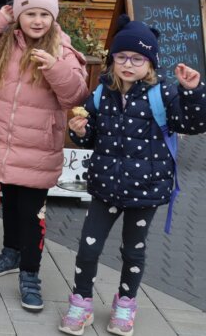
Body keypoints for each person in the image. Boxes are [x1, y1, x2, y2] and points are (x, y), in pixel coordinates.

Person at [59, 17, 206, 336]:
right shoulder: (102, 92)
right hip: (105, 187)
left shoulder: (163, 91)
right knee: (88, 248)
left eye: (137, 58)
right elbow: (92, 136)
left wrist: (193, 92)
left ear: (149, 62)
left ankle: (125, 304)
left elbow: (193, 125)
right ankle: (81, 303)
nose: (128, 64)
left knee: (133, 250)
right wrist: (79, 132)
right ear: (112, 59)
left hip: (146, 190)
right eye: (121, 56)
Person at [0, 0, 89, 312]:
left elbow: (76, 94)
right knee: (11, 204)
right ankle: (12, 253)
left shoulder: (62, 49)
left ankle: (30, 273)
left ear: (53, 16)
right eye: (29, 13)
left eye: (43, 14)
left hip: (37, 149)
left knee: (32, 215)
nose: (36, 21)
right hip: (6, 145)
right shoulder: (6, 44)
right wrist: (1, 16)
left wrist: (54, 67)